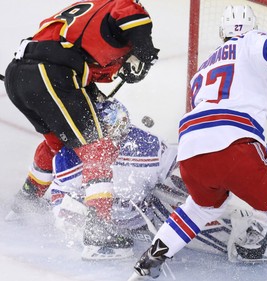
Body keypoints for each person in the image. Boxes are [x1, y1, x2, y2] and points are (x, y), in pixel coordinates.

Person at [128, 4, 267, 281]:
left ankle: (150, 260)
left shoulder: (203, 71)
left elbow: (217, 129)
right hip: (235, 145)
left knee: (199, 208)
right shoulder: (252, 42)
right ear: (252, 27)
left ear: (222, 32)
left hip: (191, 150)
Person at [4, 0, 159, 257]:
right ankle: (99, 232)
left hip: (20, 74)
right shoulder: (124, 5)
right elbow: (132, 17)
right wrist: (145, 50)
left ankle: (25, 203)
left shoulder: (87, 13)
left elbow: (81, 58)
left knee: (57, 144)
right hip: (51, 73)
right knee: (97, 146)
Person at [49, 98, 267, 262]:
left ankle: (230, 233)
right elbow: (60, 200)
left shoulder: (145, 145)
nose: (120, 135)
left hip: (145, 216)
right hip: (106, 225)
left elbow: (182, 168)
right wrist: (79, 227)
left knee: (182, 199)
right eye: (111, 130)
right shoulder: (70, 156)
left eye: (123, 127)